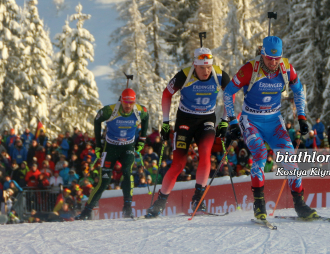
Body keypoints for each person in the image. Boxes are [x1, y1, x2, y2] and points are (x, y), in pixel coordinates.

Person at [223, 36, 316, 220]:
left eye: (277, 58)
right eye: (269, 58)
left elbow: (298, 91)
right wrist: (232, 121)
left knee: (290, 160)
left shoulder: (286, 68)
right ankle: (259, 205)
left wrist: (302, 117)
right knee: (260, 155)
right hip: (251, 121)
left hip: (274, 121)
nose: (273, 62)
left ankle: (300, 205)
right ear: (262, 54)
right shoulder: (250, 68)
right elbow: (228, 92)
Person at [147, 47, 231, 218]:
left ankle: (198, 198)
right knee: (179, 163)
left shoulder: (220, 75)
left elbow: (230, 94)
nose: (206, 71)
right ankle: (160, 202)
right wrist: (165, 122)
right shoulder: (184, 75)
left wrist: (224, 120)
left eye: (208, 67)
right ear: (194, 65)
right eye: (201, 67)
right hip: (185, 121)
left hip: (206, 120)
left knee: (206, 154)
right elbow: (166, 94)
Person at [75, 88, 149, 220]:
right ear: (121, 100)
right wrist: (98, 145)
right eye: (125, 102)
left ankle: (127, 207)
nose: (128, 106)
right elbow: (97, 120)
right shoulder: (110, 110)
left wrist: (142, 139)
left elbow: (146, 118)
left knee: (127, 171)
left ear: (134, 102)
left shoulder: (140, 110)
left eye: (131, 103)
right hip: (110, 147)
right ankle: (86, 212)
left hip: (128, 146)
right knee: (104, 181)